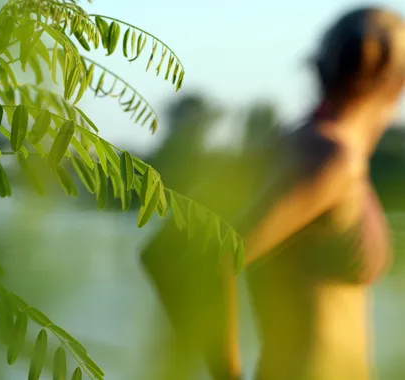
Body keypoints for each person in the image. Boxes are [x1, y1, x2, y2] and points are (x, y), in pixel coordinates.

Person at [140, 6, 405, 380]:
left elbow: (163, 251)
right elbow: (204, 258)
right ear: (397, 82)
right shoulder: (332, 161)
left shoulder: (287, 148)